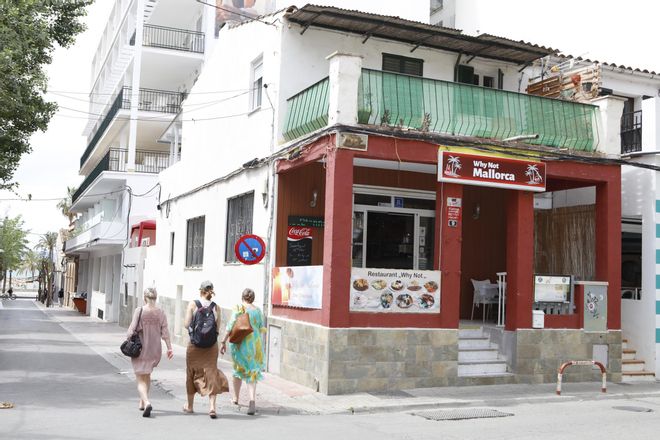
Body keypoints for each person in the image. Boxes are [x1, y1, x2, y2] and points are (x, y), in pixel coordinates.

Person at [183, 280, 229, 419]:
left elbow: (186, 324)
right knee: (211, 373)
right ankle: (212, 407)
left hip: (194, 346)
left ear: (200, 291)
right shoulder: (217, 308)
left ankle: (190, 406)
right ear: (211, 291)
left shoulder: (193, 304)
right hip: (211, 347)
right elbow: (217, 328)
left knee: (191, 374)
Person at [126, 287, 173, 418]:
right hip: (155, 349)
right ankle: (142, 402)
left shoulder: (140, 311)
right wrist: (169, 348)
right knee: (147, 375)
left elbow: (131, 331)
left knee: (140, 378)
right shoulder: (161, 313)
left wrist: (128, 337)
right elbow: (165, 332)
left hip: (141, 349)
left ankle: (146, 402)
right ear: (155, 298)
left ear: (144, 297)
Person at [220, 288, 265, 416]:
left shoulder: (239, 308)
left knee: (238, 370)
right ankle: (252, 400)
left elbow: (230, 326)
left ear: (242, 297)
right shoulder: (257, 311)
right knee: (252, 372)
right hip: (255, 345)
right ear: (253, 298)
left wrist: (223, 341)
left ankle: (236, 398)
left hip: (241, 344)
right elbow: (260, 327)